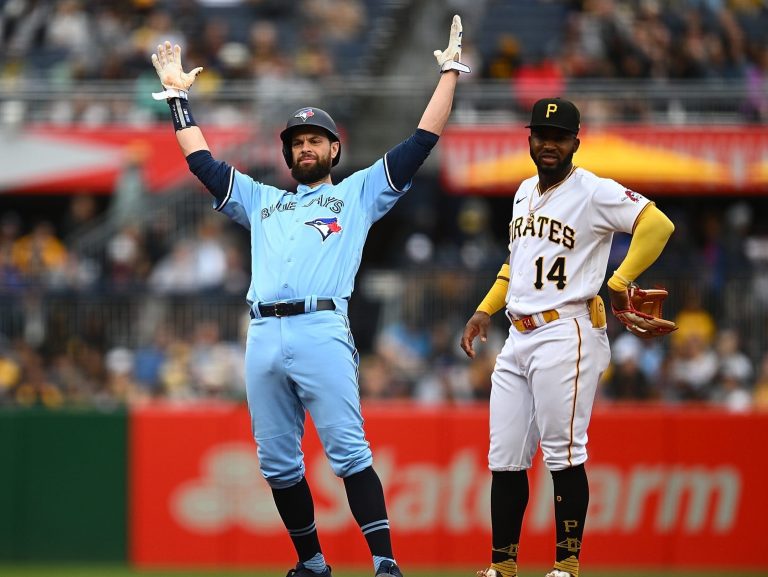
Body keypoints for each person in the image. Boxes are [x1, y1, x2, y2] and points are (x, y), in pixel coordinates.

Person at [149, 15, 471, 577]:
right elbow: (201, 163)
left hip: (321, 328)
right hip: (263, 332)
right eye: (297, 142)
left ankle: (385, 563)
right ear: (288, 153)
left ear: (333, 148)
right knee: (277, 463)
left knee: (349, 454)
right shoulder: (261, 201)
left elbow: (421, 142)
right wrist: (178, 98)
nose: (305, 148)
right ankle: (313, 563)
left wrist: (447, 74)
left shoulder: (357, 194)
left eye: (314, 139)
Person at [460, 97, 675, 577]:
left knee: (563, 452)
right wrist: (484, 309)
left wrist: (618, 283)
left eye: (559, 136)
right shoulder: (521, 192)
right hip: (517, 335)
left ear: (576, 142)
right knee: (505, 456)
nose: (549, 143)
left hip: (566, 330)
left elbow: (658, 224)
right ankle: (503, 566)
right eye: (541, 134)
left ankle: (566, 564)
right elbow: (516, 264)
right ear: (530, 139)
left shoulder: (593, 191)